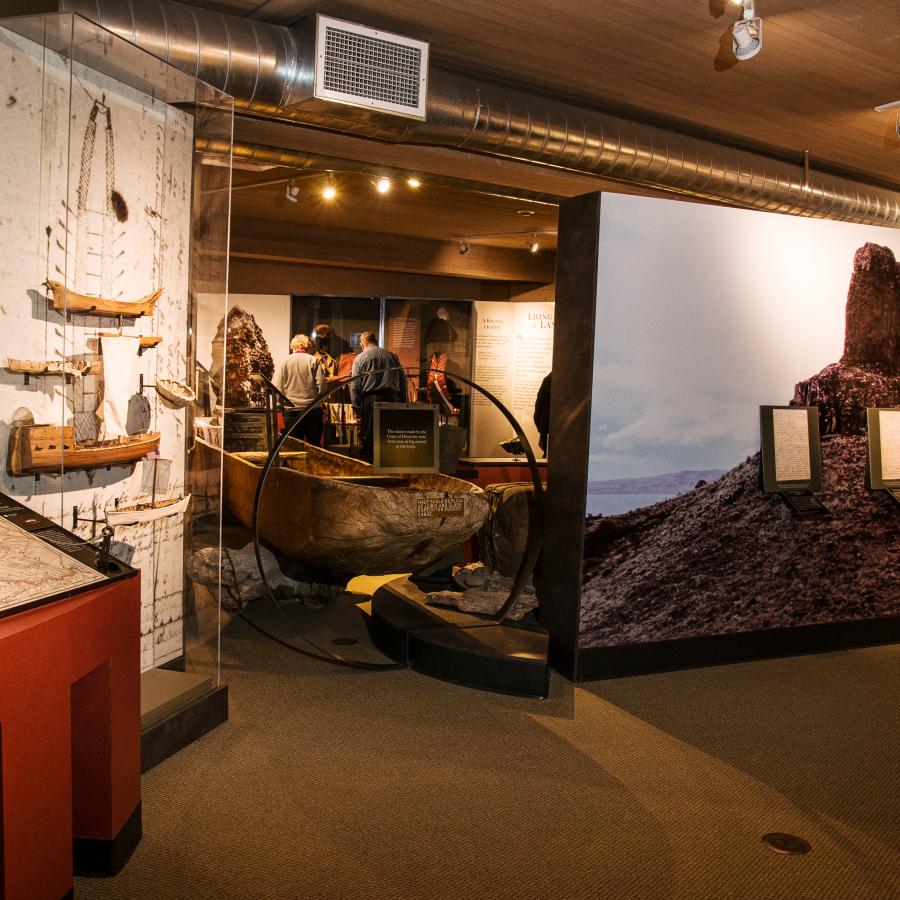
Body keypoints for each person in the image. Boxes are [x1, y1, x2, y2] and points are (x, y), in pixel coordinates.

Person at [350, 331, 407, 462]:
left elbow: (355, 386)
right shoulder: (392, 356)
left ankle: (368, 470)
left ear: (362, 344)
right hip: (392, 399)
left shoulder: (360, 358)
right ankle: (389, 468)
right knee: (390, 436)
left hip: (371, 399)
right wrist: (402, 403)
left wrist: (357, 409)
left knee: (369, 437)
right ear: (375, 341)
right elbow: (402, 381)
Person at [272, 334, 326, 444]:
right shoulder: (313, 360)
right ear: (307, 346)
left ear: (293, 346)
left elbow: (277, 387)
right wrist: (318, 402)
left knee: (296, 447)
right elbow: (322, 386)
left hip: (291, 412)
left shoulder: (285, 361)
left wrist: (282, 404)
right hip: (312, 410)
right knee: (314, 446)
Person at [533, 372, 551, 456]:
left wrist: (540, 426)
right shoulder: (549, 379)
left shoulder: (548, 379)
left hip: (546, 427)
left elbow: (538, 406)